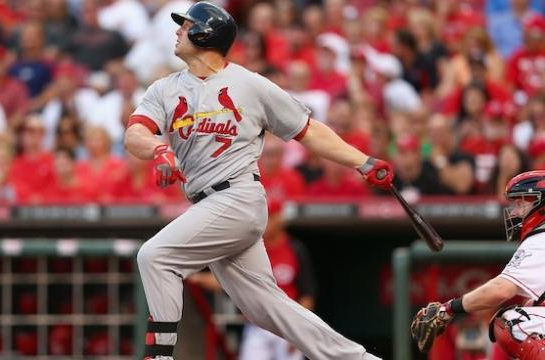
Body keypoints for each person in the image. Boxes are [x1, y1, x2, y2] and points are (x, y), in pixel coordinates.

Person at [124, 2, 392, 359]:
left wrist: (362, 161)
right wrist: (159, 149)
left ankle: (158, 356)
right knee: (266, 308)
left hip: (237, 196)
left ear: (206, 33)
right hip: (209, 204)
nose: (177, 31)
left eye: (185, 25)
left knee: (155, 256)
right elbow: (134, 134)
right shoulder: (165, 88)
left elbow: (307, 131)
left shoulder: (250, 85)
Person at [411, 170, 545, 358]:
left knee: (510, 322)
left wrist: (447, 309)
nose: (514, 212)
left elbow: (500, 290)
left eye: (521, 203)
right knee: (534, 306)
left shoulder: (540, 239)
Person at [190, 200, 317, 360]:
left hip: (286, 325)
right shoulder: (249, 249)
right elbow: (226, 281)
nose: (265, 222)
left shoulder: (295, 249)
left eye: (269, 216)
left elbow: (307, 296)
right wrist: (194, 276)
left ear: (280, 219)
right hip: (257, 326)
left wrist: (299, 329)